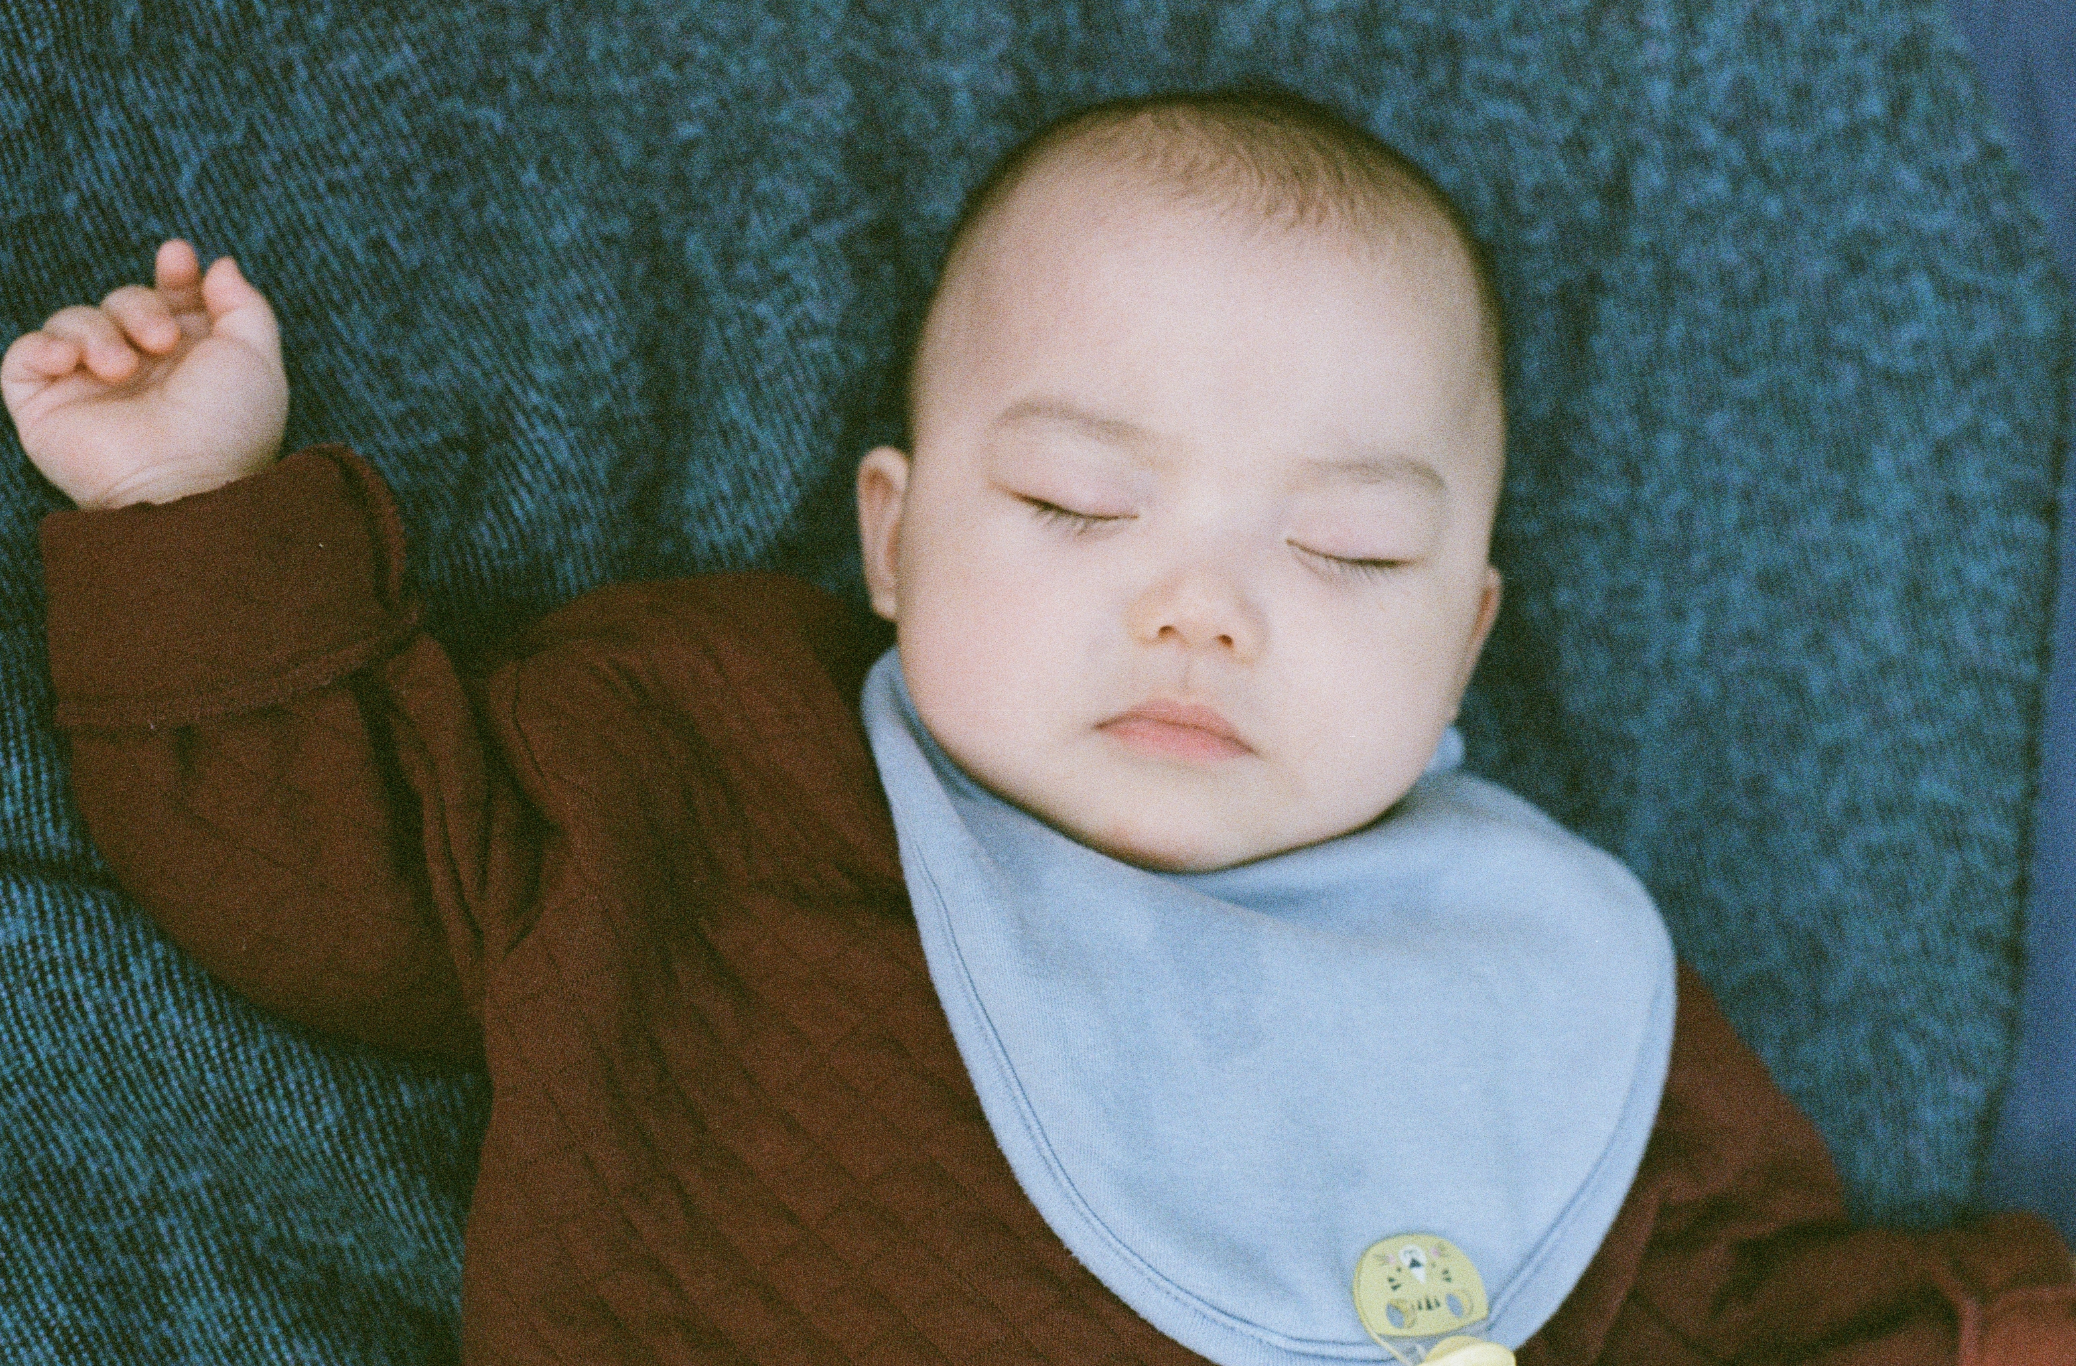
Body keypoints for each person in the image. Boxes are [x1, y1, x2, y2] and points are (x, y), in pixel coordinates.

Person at [6, 89, 2073, 1366]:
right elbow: (332, 861)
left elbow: (1758, 1303)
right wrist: (193, 509)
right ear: (890, 536)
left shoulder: (1535, 984)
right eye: (1080, 504)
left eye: (1350, 551)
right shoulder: (696, 761)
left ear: (1467, 639)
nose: (1203, 604)